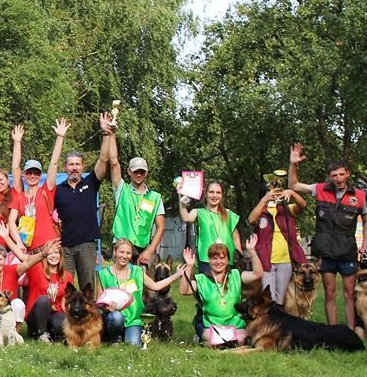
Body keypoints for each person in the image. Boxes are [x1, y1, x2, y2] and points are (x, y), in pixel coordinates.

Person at [289, 143, 367, 328]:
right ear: (329, 177)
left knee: (349, 294)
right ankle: (333, 332)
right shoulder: (320, 189)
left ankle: (349, 331)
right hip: (325, 252)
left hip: (347, 252)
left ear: (347, 174)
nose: (338, 178)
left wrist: (365, 244)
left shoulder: (359, 196)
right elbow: (293, 185)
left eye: (341, 174)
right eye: (334, 175)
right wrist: (293, 163)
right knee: (330, 293)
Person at [54, 113, 111, 289]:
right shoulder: (58, 189)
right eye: (71, 164)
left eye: (77, 164)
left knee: (87, 287)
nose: (74, 168)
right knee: (66, 287)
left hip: (87, 245)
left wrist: (106, 133)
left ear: (83, 166)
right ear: (65, 167)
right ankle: (65, 317)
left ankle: (89, 317)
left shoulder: (91, 183)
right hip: (66, 247)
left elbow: (103, 159)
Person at [99, 239, 188, 347]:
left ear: (131, 255)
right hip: (114, 317)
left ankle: (126, 336)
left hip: (134, 320)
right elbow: (99, 302)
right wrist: (107, 308)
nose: (124, 256)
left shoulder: (138, 271)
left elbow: (156, 286)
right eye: (121, 252)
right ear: (115, 252)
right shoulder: (103, 274)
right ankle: (114, 339)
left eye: (128, 253)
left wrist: (176, 275)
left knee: (134, 345)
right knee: (116, 317)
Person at [0, 222, 72, 343]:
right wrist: (6, 237)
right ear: (46, 254)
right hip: (35, 314)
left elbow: (65, 301)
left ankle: (53, 334)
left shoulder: (67, 276)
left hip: (55, 312)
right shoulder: (37, 268)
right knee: (43, 300)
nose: (54, 256)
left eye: (56, 253)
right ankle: (40, 334)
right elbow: (21, 256)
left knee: (62, 325)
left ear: (61, 255)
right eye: (51, 253)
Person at [182, 235, 263, 346]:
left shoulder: (236, 275)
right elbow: (184, 290)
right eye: (214, 258)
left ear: (227, 260)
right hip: (211, 326)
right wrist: (189, 266)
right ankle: (204, 339)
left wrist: (251, 251)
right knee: (215, 341)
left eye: (222, 258)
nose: (218, 262)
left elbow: (257, 274)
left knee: (241, 341)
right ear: (209, 261)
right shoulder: (202, 278)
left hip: (235, 326)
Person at [107, 113, 165, 266]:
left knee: (138, 287)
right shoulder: (122, 189)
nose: (139, 174)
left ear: (146, 172)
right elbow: (114, 162)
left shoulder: (155, 197)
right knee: (120, 285)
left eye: (142, 171)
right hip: (121, 246)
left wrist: (150, 251)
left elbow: (161, 227)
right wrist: (112, 134)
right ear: (129, 172)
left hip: (142, 249)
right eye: (135, 171)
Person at [7, 119, 66, 254]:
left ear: (40, 175)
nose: (32, 176)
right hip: (28, 248)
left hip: (49, 245)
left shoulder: (46, 190)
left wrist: (60, 137)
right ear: (24, 174)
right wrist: (18, 242)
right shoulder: (19, 196)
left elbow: (54, 164)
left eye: (36, 173)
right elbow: (11, 222)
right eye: (29, 172)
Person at [247, 186, 307, 306]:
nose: (274, 193)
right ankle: (269, 323)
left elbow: (302, 205)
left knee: (282, 299)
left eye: (278, 191)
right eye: (271, 190)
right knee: (268, 297)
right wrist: (264, 200)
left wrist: (292, 193)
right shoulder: (262, 211)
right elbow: (251, 219)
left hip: (286, 260)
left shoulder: (286, 209)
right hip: (266, 261)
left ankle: (280, 323)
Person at [179, 180, 242, 274]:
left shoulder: (230, 215)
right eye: (211, 192)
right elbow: (186, 218)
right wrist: (180, 196)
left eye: (218, 192)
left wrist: (240, 258)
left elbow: (236, 238)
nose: (215, 195)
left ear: (222, 195)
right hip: (206, 260)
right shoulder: (199, 212)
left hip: (227, 260)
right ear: (206, 194)